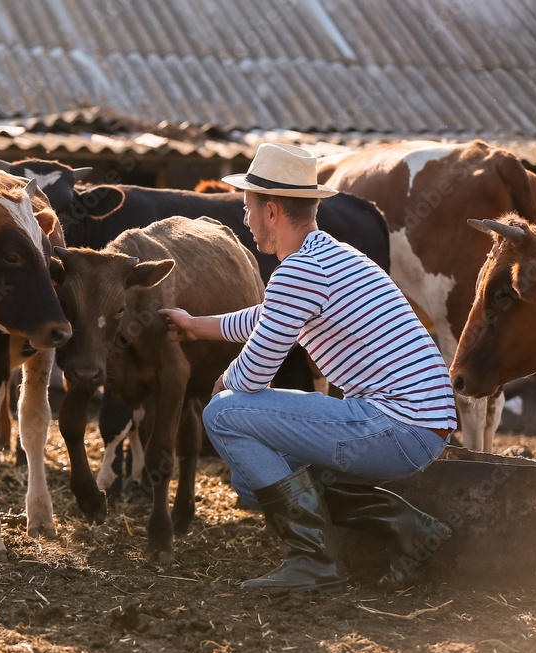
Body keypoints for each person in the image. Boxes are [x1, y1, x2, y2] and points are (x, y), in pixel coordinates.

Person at [159, 143, 456, 593]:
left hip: (396, 428)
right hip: (420, 426)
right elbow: (269, 316)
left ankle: (314, 560)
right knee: (252, 471)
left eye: (248, 209)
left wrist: (222, 384)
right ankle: (406, 526)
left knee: (223, 414)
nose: (245, 220)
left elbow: (254, 375)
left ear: (272, 210)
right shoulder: (331, 257)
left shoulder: (300, 272)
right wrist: (196, 326)